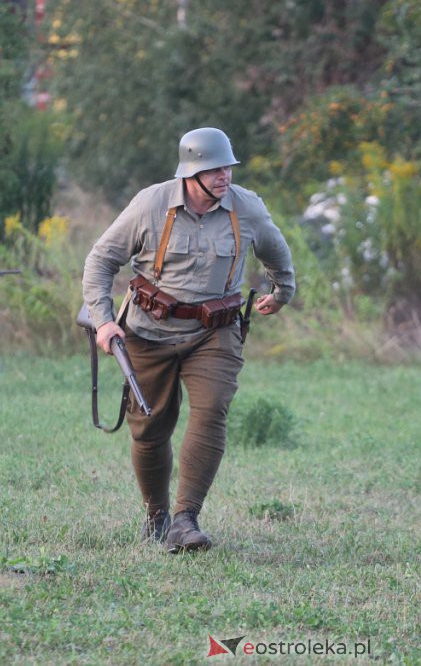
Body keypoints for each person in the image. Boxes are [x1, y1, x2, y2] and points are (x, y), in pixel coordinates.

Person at [82, 127, 296, 553]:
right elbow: (101, 260)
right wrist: (104, 321)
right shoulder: (151, 204)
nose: (224, 177)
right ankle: (157, 516)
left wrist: (282, 291)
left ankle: (185, 519)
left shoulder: (247, 208)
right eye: (213, 170)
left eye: (227, 168)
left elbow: (277, 252)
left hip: (214, 331)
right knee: (149, 429)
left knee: (212, 408)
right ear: (191, 173)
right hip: (148, 331)